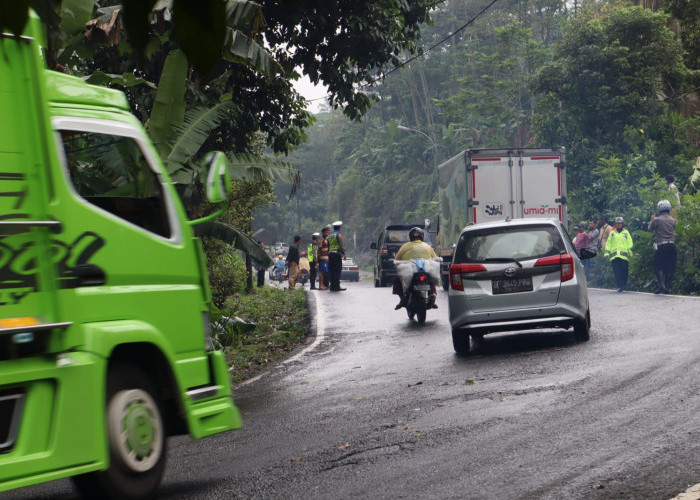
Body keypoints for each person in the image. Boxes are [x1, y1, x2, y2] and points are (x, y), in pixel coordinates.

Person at [393, 227, 438, 310]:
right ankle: (433, 295)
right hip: (425, 270)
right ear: (422, 236)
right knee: (431, 279)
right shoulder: (427, 246)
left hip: (410, 271)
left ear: (410, 237)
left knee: (397, 279)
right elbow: (435, 258)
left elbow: (397, 259)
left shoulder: (405, 246)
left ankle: (402, 299)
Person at [648, 199, 677, 294]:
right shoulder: (673, 220)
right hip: (672, 245)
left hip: (662, 245)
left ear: (659, 208)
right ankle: (666, 287)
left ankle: (662, 285)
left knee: (658, 266)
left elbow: (650, 229)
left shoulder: (657, 220)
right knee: (670, 267)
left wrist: (651, 221)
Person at [604, 216, 633, 292]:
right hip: (614, 257)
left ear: (622, 224)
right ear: (615, 224)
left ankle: (624, 284)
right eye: (617, 223)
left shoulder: (626, 233)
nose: (619, 225)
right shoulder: (612, 234)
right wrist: (606, 253)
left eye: (620, 223)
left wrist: (629, 251)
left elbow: (630, 243)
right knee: (617, 272)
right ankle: (620, 286)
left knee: (624, 270)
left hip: (624, 257)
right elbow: (608, 244)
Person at [327, 221, 346, 291]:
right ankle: (337, 286)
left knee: (331, 270)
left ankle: (332, 286)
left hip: (330, 254)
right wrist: (344, 253)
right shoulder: (339, 235)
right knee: (337, 270)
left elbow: (328, 246)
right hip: (337, 254)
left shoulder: (330, 236)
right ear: (339, 228)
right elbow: (341, 245)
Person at [317, 225, 331, 290]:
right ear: (323, 232)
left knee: (324, 271)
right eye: (327, 232)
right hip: (322, 258)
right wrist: (317, 260)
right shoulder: (321, 239)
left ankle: (323, 285)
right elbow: (319, 250)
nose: (328, 233)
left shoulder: (326, 239)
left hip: (326, 258)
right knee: (322, 271)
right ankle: (321, 285)